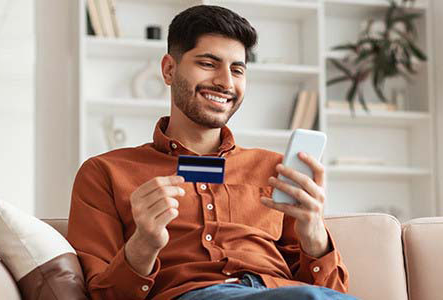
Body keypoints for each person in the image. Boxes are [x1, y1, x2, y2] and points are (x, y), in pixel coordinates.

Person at [67, 5, 355, 300]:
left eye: (237, 69)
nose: (226, 82)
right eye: (208, 63)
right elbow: (102, 296)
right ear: (169, 69)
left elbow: (332, 293)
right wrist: (144, 242)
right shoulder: (105, 173)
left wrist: (314, 233)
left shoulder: (277, 171)